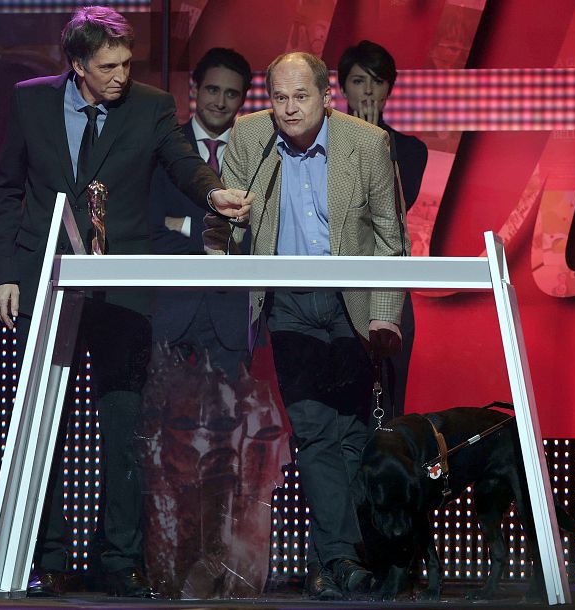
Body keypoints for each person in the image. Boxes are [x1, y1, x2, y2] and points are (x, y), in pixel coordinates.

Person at [0, 6, 251, 598]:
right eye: (107, 66)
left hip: (123, 285)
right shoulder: (31, 101)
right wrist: (5, 272)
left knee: (125, 425)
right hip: (45, 276)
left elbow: (183, 164)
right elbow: (7, 189)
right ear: (77, 65)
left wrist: (216, 195)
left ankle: (120, 557)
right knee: (44, 427)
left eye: (126, 63)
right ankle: (48, 555)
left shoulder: (151, 106)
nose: (120, 76)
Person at [203, 51, 406, 600]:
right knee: (314, 428)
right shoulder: (250, 139)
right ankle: (343, 558)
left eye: (301, 97)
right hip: (288, 304)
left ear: (326, 97)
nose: (289, 109)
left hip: (351, 303)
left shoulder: (365, 144)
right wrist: (224, 216)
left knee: (350, 433)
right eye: (279, 98)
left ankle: (328, 565)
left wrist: (385, 311)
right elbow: (219, 227)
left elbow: (391, 237)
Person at [149, 47, 253, 382]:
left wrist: (183, 225)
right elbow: (151, 224)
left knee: (226, 428)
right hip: (170, 306)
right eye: (212, 89)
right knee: (161, 425)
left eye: (231, 93)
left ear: (243, 99)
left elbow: (257, 234)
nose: (220, 102)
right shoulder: (164, 147)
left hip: (232, 315)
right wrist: (214, 235)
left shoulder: (256, 155)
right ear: (195, 88)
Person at [338, 40, 428, 423]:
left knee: (388, 405)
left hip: (387, 289)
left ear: (390, 88)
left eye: (378, 81)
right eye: (359, 81)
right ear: (342, 87)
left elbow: (390, 213)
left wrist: (374, 141)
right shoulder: (317, 146)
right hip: (336, 287)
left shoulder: (410, 150)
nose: (368, 91)